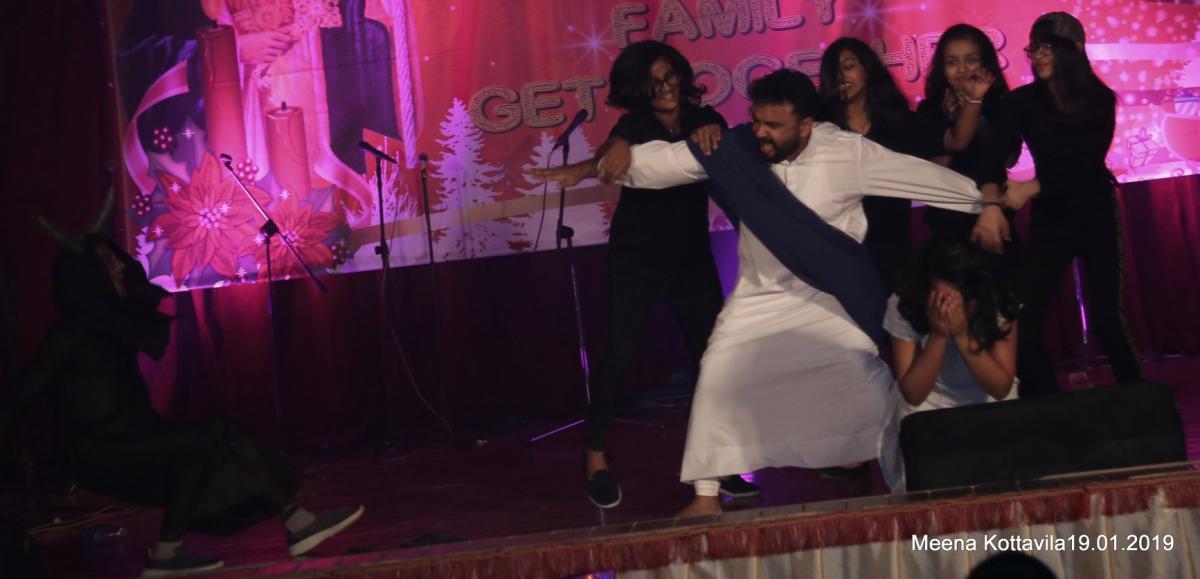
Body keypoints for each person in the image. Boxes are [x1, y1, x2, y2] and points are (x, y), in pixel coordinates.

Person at [531, 69, 983, 516]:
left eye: (774, 125)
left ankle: (913, 476)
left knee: (863, 381)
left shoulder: (847, 152)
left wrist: (988, 202)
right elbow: (660, 163)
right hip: (760, 296)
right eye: (757, 120)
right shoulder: (736, 147)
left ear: (806, 125)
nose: (761, 132)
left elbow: (918, 176)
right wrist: (593, 164)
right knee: (718, 373)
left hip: (831, 297)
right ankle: (706, 496)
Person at [0, 202, 363, 576]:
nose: (121, 268)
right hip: (99, 450)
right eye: (109, 263)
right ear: (90, 275)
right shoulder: (68, 338)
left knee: (197, 452)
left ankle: (166, 554)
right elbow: (22, 395)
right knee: (219, 434)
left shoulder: (113, 327)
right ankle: (297, 520)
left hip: (129, 439)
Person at [581, 40, 758, 509]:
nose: (665, 88)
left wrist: (714, 134)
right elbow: (612, 149)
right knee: (620, 354)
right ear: (636, 90)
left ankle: (719, 465)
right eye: (653, 82)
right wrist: (618, 144)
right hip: (636, 255)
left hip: (690, 256)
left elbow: (727, 155)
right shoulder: (633, 125)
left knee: (713, 358)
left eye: (670, 76)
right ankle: (595, 457)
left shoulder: (705, 119)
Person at [994, 12, 1142, 396]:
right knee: (1025, 317)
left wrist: (1033, 187)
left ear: (1074, 50)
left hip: (1096, 214)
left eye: (1047, 47)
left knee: (1108, 320)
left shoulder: (1099, 100)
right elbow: (1003, 153)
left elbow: (1086, 161)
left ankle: (1143, 407)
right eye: (1033, 48)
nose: (1037, 56)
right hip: (1052, 221)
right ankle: (1047, 407)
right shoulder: (1022, 102)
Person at [818, 37, 1009, 292]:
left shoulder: (897, 122)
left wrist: (974, 101)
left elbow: (956, 141)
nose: (841, 76)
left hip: (893, 252)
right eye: (834, 72)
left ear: (867, 69)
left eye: (848, 66)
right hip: (840, 252)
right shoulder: (823, 132)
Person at [878, 238, 1020, 492]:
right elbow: (913, 394)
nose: (948, 306)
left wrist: (963, 336)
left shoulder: (998, 298)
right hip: (929, 400)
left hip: (986, 397)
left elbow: (1000, 387)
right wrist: (939, 336)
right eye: (941, 297)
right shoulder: (905, 302)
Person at [917, 24, 1021, 253]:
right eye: (952, 62)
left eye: (971, 60)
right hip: (948, 226)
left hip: (994, 217)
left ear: (985, 64)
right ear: (942, 67)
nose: (962, 70)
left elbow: (1009, 159)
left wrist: (977, 116)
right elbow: (935, 169)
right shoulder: (930, 110)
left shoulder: (1001, 106)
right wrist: (953, 122)